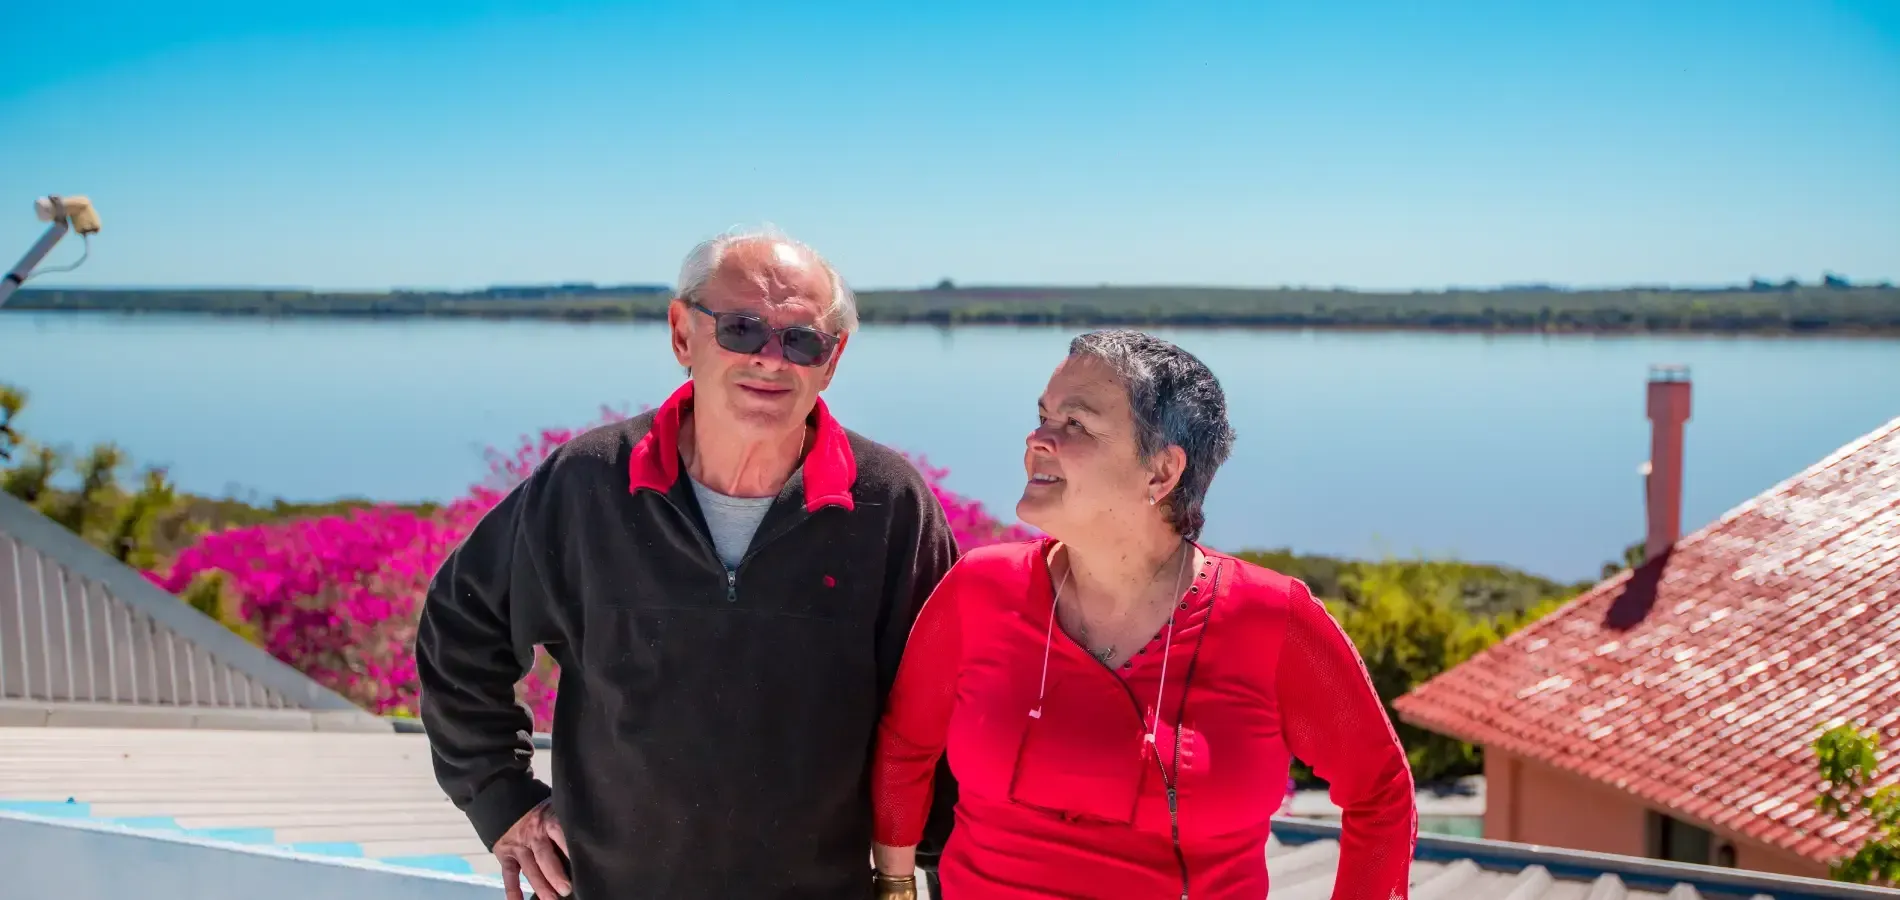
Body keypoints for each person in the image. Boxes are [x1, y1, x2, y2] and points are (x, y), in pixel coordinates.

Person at [415, 228, 960, 900]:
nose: (771, 359)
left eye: (802, 339)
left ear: (832, 359)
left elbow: (950, 697)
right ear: (682, 334)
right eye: (742, 328)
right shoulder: (588, 484)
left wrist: (928, 862)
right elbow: (463, 626)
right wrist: (500, 797)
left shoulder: (889, 504)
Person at [869, 330, 1419, 899]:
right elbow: (906, 743)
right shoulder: (980, 589)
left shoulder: (1271, 620)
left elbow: (1379, 790)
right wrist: (895, 884)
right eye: (1043, 417)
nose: (1037, 439)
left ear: (1160, 473)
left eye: (1076, 424)